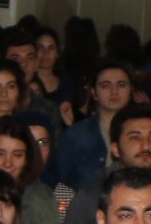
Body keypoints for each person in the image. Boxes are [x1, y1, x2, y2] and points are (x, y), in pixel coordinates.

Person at [44, 61, 134, 194]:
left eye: (121, 85)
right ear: (94, 93)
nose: (114, 91)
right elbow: (55, 182)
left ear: (131, 90)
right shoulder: (76, 135)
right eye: (105, 85)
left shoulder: (145, 131)